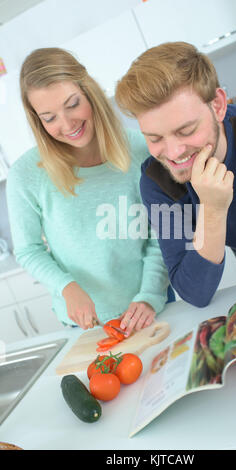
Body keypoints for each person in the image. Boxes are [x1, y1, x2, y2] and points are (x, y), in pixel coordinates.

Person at [115, 41, 236, 308]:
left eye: (186, 130)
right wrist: (212, 210)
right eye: (154, 138)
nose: (174, 152)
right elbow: (194, 292)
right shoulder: (157, 181)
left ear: (218, 105)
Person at [6, 47, 171, 334]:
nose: (67, 124)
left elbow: (163, 233)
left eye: (72, 104)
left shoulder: (142, 150)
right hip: (85, 324)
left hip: (150, 306)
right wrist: (66, 287)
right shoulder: (26, 174)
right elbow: (29, 250)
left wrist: (149, 296)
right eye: (49, 117)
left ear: (89, 92)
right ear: (38, 121)